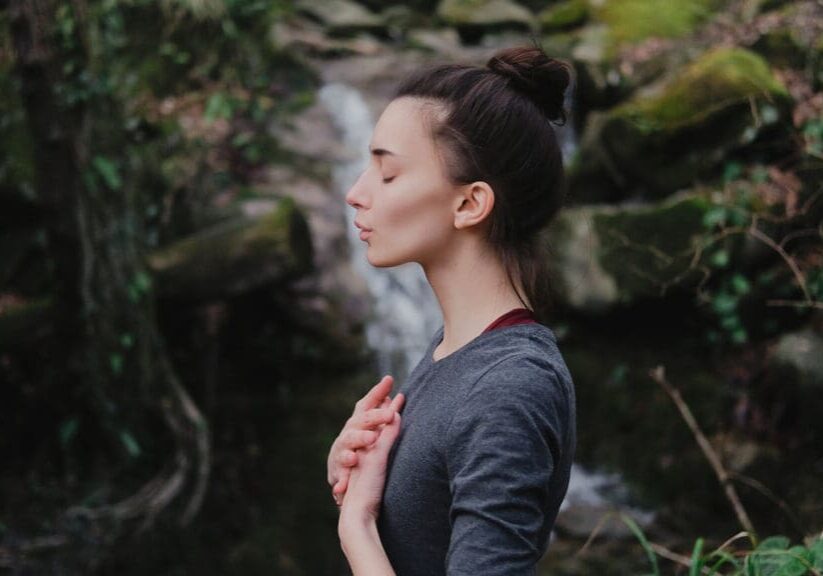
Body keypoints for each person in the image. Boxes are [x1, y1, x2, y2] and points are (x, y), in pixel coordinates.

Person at [326, 43, 577, 576]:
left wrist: (357, 529)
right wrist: (363, 482)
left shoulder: (509, 387)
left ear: (470, 203)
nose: (354, 194)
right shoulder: (455, 351)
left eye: (388, 175)